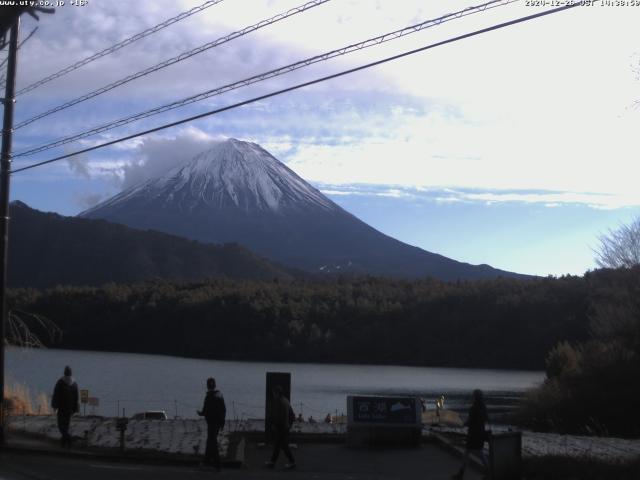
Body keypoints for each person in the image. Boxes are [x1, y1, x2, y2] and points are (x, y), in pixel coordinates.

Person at [452, 389, 489, 479]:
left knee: (467, 453)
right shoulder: (484, 407)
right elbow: (485, 419)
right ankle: (489, 471)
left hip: (473, 434)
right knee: (479, 452)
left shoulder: (474, 408)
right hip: (481, 433)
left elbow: (471, 421)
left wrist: (463, 423)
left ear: (475, 397)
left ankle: (461, 473)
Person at [197, 377, 226, 471]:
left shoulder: (209, 397)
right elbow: (223, 410)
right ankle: (206, 461)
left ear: (207, 385)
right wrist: (222, 422)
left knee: (212, 442)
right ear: (215, 385)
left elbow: (206, 410)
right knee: (210, 442)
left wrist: (200, 413)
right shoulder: (220, 396)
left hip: (212, 423)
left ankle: (217, 464)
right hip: (217, 423)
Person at [264, 385, 296, 469]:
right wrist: (289, 425)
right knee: (279, 445)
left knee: (283, 446)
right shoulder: (286, 401)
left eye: (274, 393)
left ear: (277, 393)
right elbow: (292, 414)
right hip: (285, 427)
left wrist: (275, 425)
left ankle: (292, 462)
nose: (273, 395)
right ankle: (272, 462)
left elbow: (280, 416)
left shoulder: (279, 402)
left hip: (281, 428)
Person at [51, 366, 79, 449]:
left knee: (61, 426)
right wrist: (75, 408)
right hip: (69, 409)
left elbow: (56, 394)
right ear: (71, 373)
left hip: (62, 407)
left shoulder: (60, 382)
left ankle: (68, 438)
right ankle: (64, 444)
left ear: (64, 372)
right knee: (66, 426)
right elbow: (76, 397)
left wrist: (54, 405)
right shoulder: (74, 383)